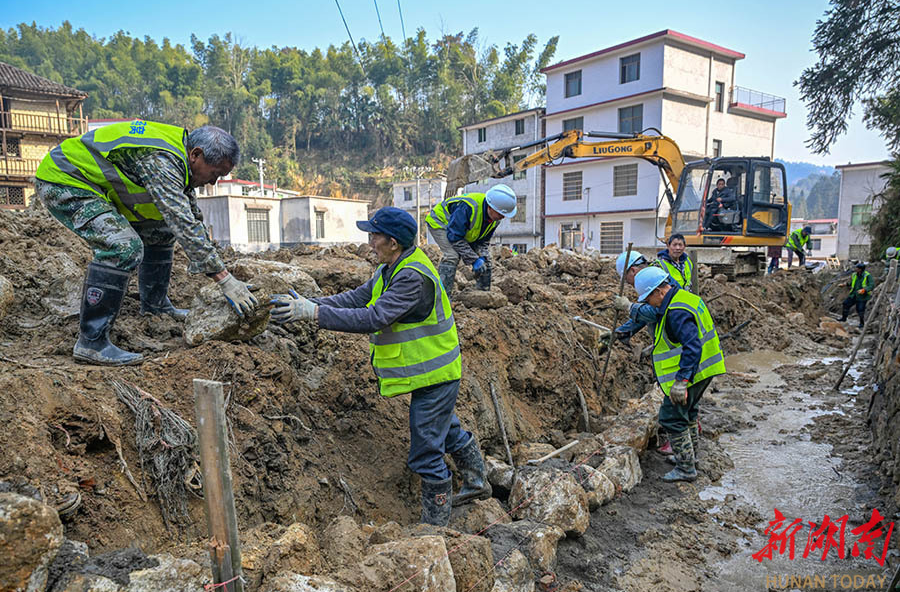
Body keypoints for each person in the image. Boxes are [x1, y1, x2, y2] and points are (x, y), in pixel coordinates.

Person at [269, 207, 491, 527]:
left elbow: (373, 317)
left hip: (436, 374)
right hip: (430, 372)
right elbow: (359, 298)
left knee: (426, 453)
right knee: (446, 429)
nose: (369, 241)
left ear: (393, 242)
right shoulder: (392, 267)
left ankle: (435, 527)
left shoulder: (412, 277)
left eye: (374, 236)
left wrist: (312, 315)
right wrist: (314, 304)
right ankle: (477, 483)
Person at [34, 120, 257, 366]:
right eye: (215, 174)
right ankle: (91, 342)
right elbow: (182, 222)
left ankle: (155, 306)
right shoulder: (161, 160)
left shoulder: (180, 160)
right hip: (66, 180)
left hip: (94, 187)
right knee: (123, 247)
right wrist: (224, 280)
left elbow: (191, 219)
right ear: (196, 155)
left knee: (161, 230)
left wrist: (224, 273)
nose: (213, 182)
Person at [633, 267, 726, 482]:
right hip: (704, 369)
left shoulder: (676, 311)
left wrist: (682, 381)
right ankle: (690, 458)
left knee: (671, 417)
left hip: (693, 371)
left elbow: (692, 346)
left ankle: (686, 468)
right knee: (689, 413)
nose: (648, 303)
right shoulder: (685, 298)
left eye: (648, 298)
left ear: (659, 291)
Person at [425, 184, 517, 297]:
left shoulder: (495, 218)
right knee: (452, 255)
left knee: (486, 258)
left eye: (504, 215)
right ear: (490, 206)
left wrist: (481, 256)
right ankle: (442, 297)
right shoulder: (468, 208)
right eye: (500, 213)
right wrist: (474, 260)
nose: (502, 217)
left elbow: (483, 241)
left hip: (461, 231)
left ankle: (483, 293)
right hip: (441, 222)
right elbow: (454, 237)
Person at [840, 262, 874, 329]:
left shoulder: (867, 276)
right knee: (845, 304)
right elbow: (852, 283)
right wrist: (845, 284)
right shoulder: (854, 275)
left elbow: (871, 285)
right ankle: (844, 318)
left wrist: (864, 290)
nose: (855, 269)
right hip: (854, 294)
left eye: (857, 268)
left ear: (861, 269)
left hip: (862, 296)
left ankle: (861, 323)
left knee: (860, 310)